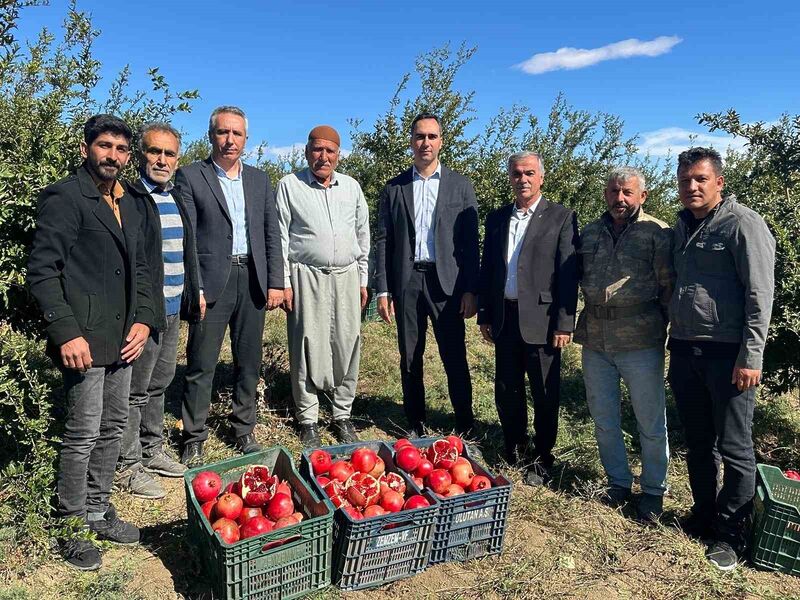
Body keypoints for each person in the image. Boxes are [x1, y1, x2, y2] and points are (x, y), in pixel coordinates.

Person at [27, 114, 154, 570]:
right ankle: (70, 525)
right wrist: (65, 330)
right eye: (104, 147)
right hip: (84, 338)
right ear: (86, 150)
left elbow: (141, 267)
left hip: (123, 338)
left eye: (121, 150)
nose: (113, 157)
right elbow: (43, 272)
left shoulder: (129, 202)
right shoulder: (66, 197)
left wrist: (143, 319)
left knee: (114, 425)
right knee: (82, 433)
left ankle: (98, 510)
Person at [667, 147, 775, 571]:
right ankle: (704, 516)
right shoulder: (681, 226)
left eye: (699, 179)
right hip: (685, 347)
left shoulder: (742, 223)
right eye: (684, 180)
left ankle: (731, 535)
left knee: (734, 447)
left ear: (719, 183)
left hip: (727, 353)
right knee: (697, 442)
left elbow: (759, 293)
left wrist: (751, 355)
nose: (691, 187)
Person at [176, 106, 284, 466]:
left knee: (248, 361)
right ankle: (194, 436)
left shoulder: (259, 180)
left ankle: (243, 428)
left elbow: (271, 234)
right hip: (212, 281)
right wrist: (196, 287)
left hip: (251, 278)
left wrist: (275, 282)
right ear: (211, 136)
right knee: (201, 362)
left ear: (246, 139)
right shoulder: (191, 176)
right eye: (223, 132)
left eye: (237, 133)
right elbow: (188, 238)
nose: (230, 140)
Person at [574, 167, 674, 521]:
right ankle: (617, 482)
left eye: (628, 192)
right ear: (606, 194)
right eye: (614, 192)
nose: (620, 199)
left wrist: (659, 327)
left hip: (640, 340)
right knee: (604, 418)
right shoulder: (589, 233)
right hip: (596, 338)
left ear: (642, 196)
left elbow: (668, 288)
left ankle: (653, 490)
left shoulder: (657, 234)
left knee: (650, 420)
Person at [374, 113, 480, 437]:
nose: (426, 143)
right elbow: (383, 240)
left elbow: (469, 244)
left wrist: (471, 290)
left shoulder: (460, 186)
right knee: (410, 355)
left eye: (432, 137)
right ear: (411, 141)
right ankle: (416, 424)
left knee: (454, 356)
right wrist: (382, 289)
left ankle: (465, 423)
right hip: (407, 281)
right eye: (420, 136)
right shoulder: (394, 188)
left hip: (445, 284)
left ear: (441, 142)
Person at [477, 151, 578, 485]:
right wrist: (485, 314)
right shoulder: (497, 218)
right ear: (510, 177)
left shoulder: (561, 217)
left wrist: (565, 322)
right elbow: (489, 268)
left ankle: (543, 455)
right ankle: (514, 446)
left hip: (543, 319)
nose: (523, 179)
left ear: (541, 177)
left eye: (530, 173)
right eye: (517, 173)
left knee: (544, 392)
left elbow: (568, 274)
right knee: (507, 388)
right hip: (505, 316)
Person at [114, 122, 202, 498]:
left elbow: (185, 251)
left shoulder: (176, 196)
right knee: (134, 390)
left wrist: (193, 291)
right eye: (154, 151)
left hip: (172, 308)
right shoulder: (129, 197)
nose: (161, 160)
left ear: (177, 160)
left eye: (169, 154)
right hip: (144, 313)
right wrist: (138, 314)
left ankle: (152, 450)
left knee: (160, 383)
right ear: (141, 155)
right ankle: (127, 465)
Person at [275, 125, 370, 447]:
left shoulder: (352, 187)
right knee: (306, 344)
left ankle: (342, 413)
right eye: (317, 150)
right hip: (306, 276)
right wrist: (285, 282)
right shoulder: (290, 186)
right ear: (307, 152)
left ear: (338, 155)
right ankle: (309, 418)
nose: (323, 156)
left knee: (348, 342)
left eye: (330, 151)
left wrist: (363, 277)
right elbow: (281, 236)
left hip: (346, 275)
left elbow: (362, 235)